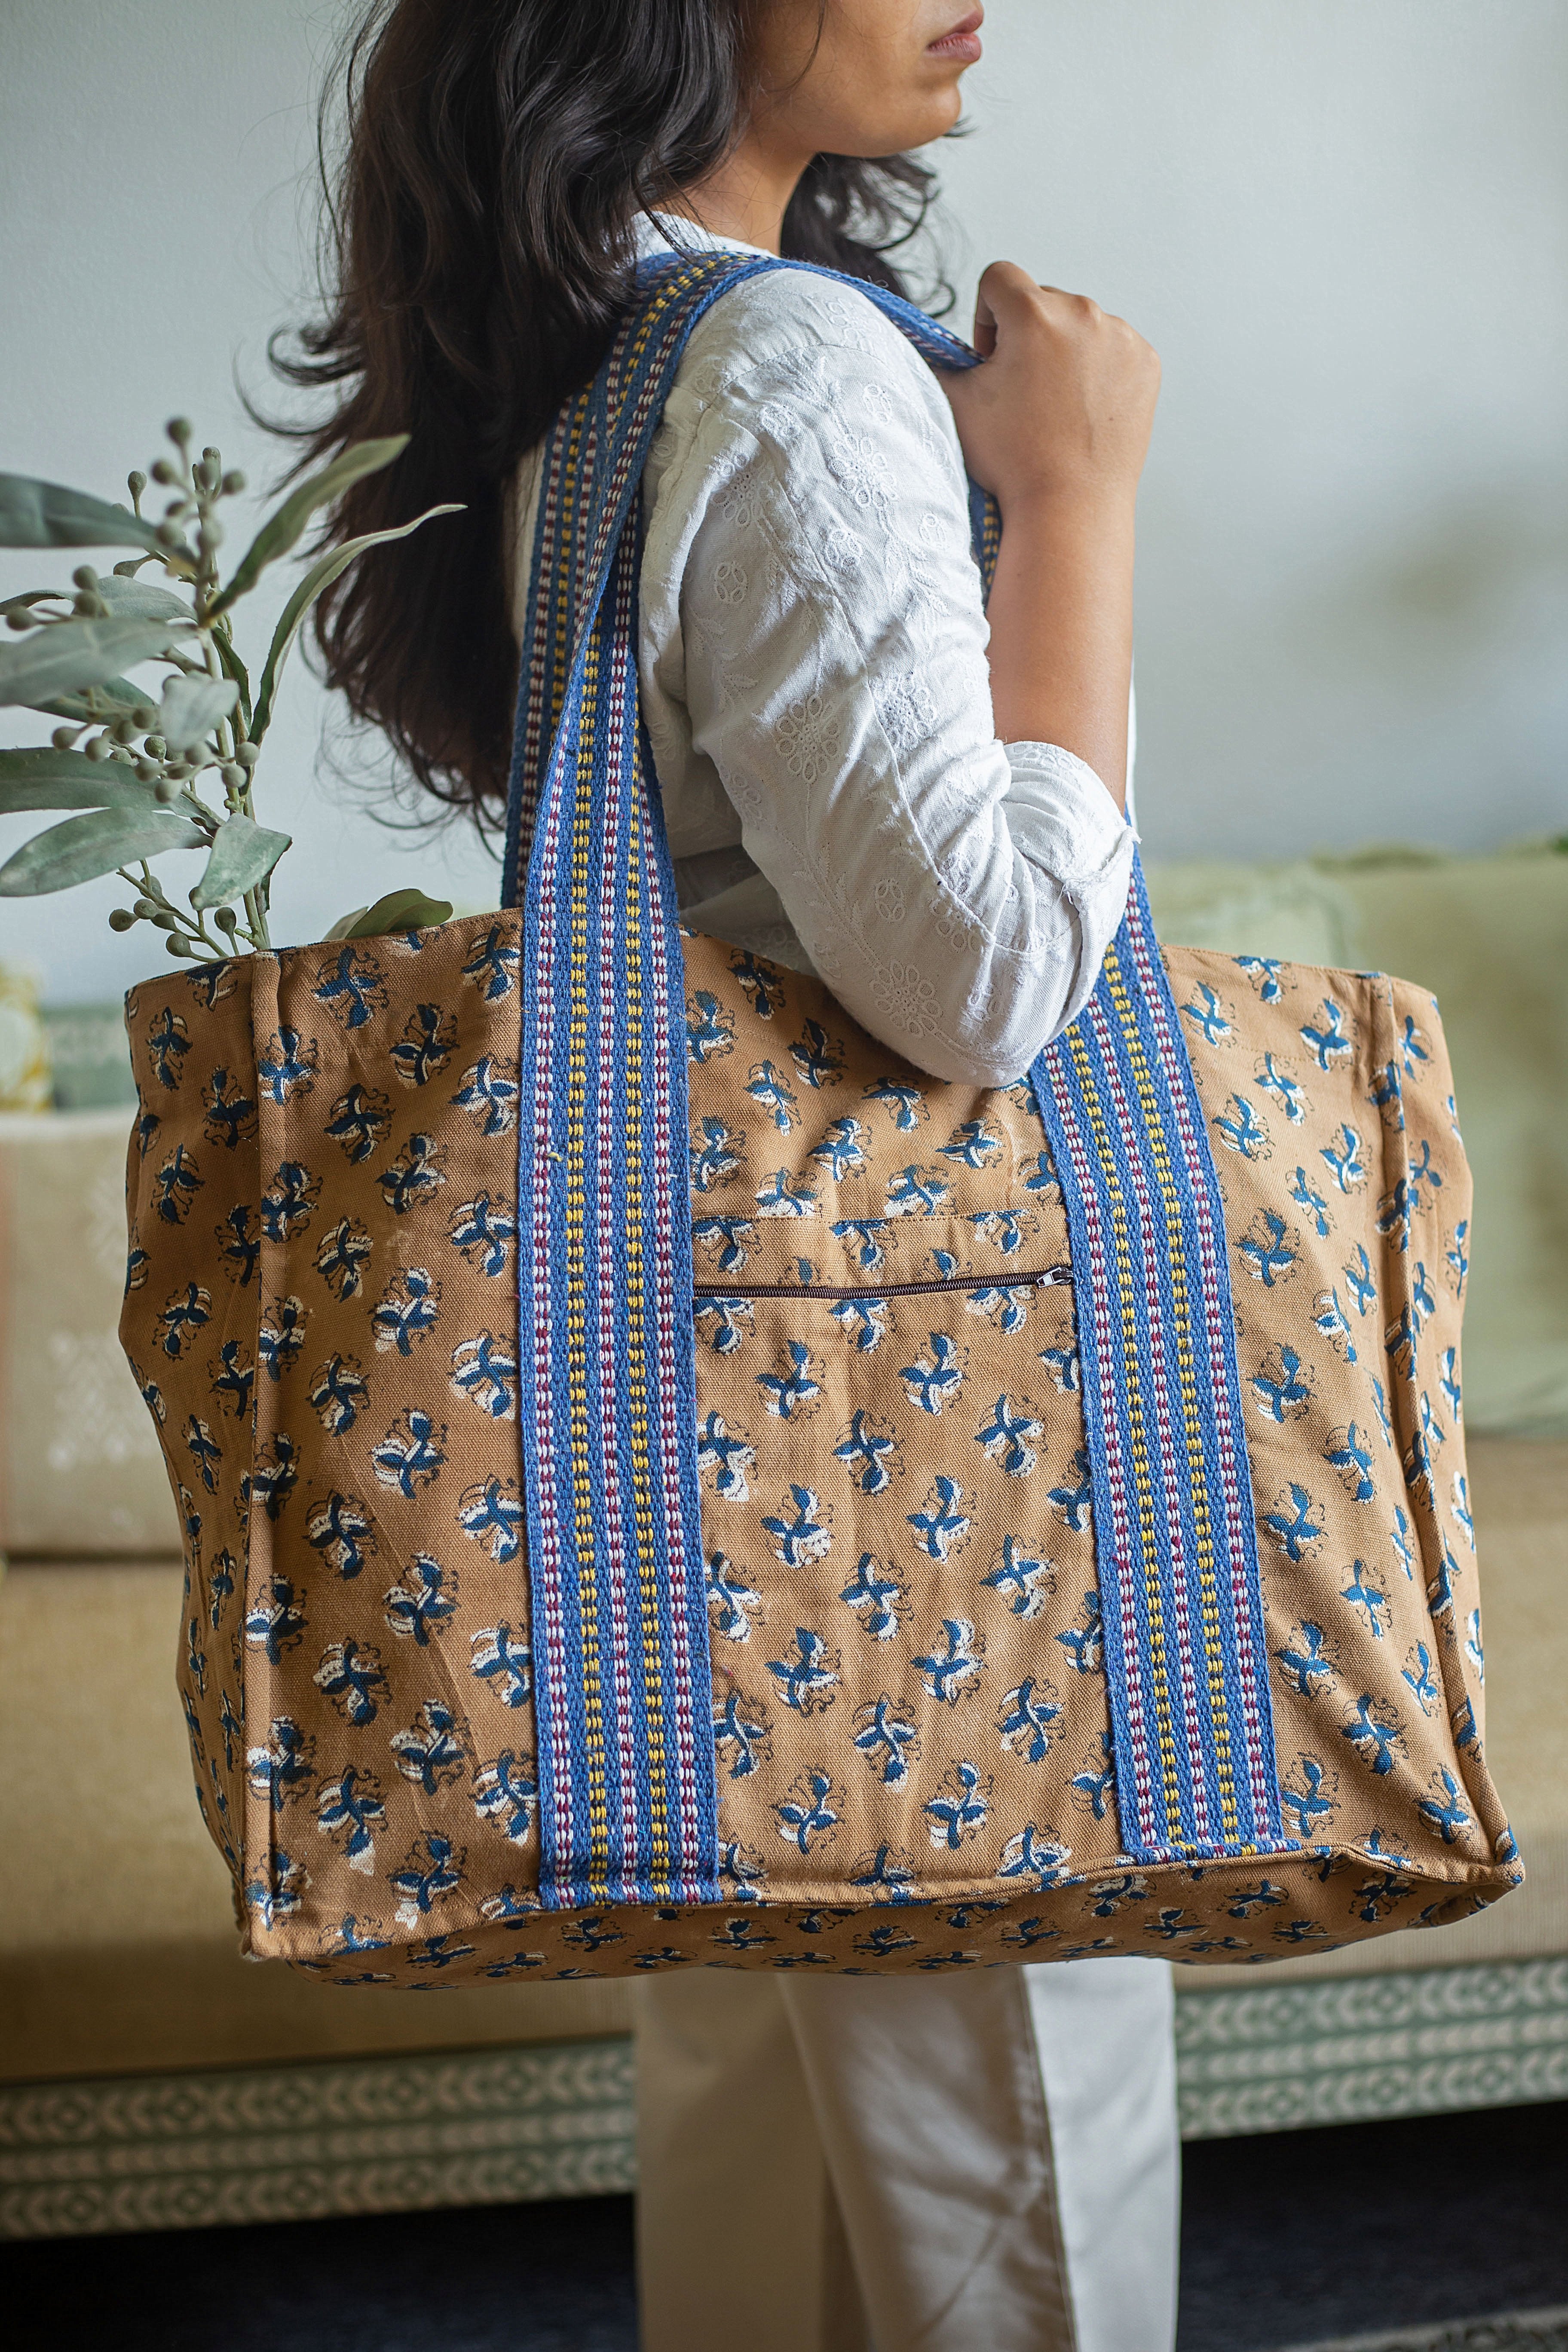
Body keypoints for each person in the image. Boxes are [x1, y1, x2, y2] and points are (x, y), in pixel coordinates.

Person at [285, 4, 1175, 2346]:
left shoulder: (614, 365)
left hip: (702, 1446)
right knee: (1014, 2105)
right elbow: (981, 979)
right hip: (918, 1445)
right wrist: (1075, 500)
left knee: (764, 2102)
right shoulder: (786, 363)